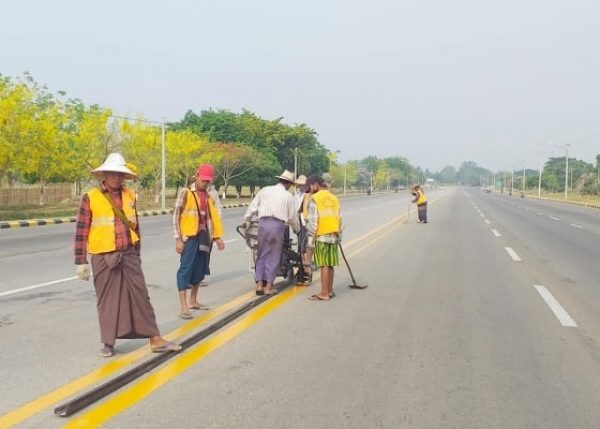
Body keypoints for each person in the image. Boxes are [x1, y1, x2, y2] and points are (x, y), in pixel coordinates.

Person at [74, 153, 181, 357]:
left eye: (120, 174)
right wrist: (81, 261)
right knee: (108, 300)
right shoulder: (91, 197)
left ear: (124, 176)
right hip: (103, 257)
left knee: (141, 296)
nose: (116, 177)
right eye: (112, 173)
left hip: (128, 253)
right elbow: (81, 230)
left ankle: (155, 339)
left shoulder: (130, 196)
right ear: (104, 174)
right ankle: (108, 342)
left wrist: (137, 254)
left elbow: (135, 226)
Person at [173, 164, 225, 319]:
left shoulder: (208, 196)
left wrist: (217, 237)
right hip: (189, 238)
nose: (205, 183)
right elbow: (176, 216)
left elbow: (211, 218)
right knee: (185, 269)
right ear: (196, 177)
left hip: (204, 237)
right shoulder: (185, 192)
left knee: (200, 269)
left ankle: (193, 301)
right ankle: (183, 306)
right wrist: (178, 239)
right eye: (203, 180)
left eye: (208, 181)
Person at [241, 169, 300, 295]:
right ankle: (268, 287)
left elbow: (253, 206)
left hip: (262, 224)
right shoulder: (288, 196)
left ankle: (259, 285)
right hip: (277, 226)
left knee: (261, 254)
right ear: (289, 184)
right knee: (274, 256)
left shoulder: (265, 190)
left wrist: (247, 219)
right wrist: (297, 229)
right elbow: (292, 217)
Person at [305, 175, 343, 301]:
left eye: (310, 186)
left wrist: (310, 239)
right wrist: (339, 236)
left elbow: (313, 222)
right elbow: (340, 218)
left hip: (321, 236)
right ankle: (330, 291)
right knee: (330, 264)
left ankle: (324, 293)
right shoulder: (334, 197)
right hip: (334, 235)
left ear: (315, 185)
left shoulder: (315, 198)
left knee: (323, 265)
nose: (310, 189)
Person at [198, 182, 222, 287]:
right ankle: (190, 277)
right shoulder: (190, 190)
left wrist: (216, 224)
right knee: (193, 253)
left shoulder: (213, 193)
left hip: (208, 228)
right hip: (195, 228)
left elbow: (218, 209)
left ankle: (200, 277)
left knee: (205, 253)